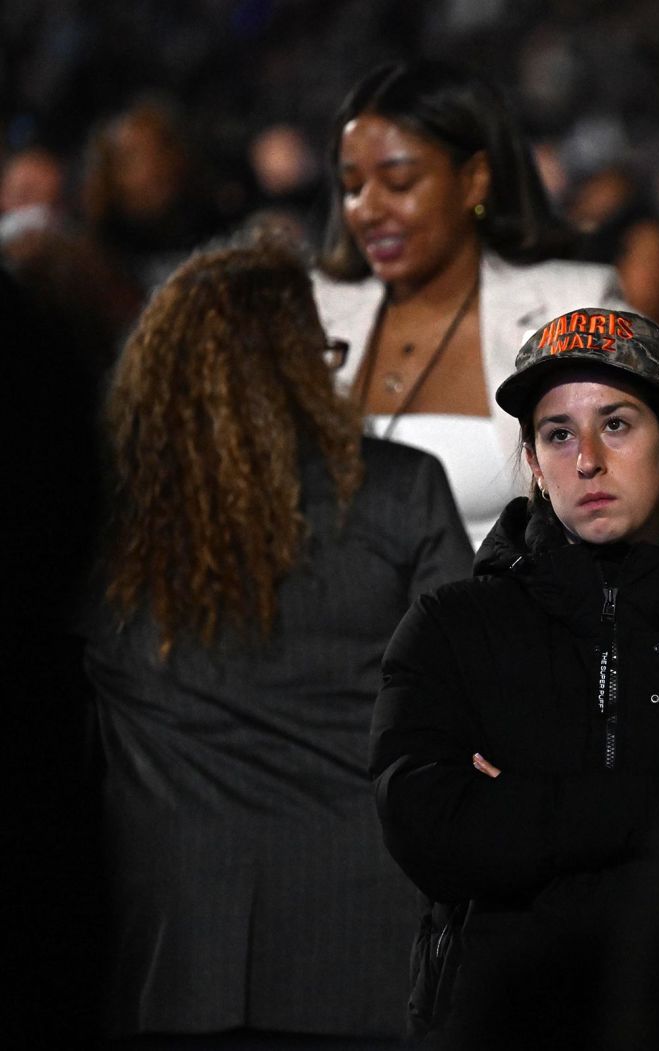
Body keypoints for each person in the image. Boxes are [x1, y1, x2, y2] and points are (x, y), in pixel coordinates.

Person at [369, 306, 659, 1047]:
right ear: (531, 460)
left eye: (616, 424)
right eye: (558, 434)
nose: (586, 458)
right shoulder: (450, 630)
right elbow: (429, 829)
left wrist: (525, 809)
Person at [80, 235, 472, 1042]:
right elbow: (461, 702)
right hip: (364, 933)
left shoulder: (101, 516)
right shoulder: (403, 492)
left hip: (166, 940)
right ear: (302, 358)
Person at [313, 60, 659, 552]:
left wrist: (622, 608)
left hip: (509, 631)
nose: (367, 210)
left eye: (399, 183)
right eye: (352, 187)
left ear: (474, 180)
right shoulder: (309, 317)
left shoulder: (567, 308)